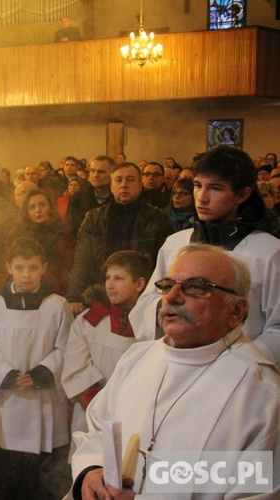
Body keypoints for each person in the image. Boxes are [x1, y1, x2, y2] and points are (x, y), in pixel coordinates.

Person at [70, 245, 280, 498]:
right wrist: (91, 471)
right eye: (168, 285)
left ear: (236, 311)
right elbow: (98, 432)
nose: (171, 297)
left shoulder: (261, 396)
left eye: (195, 287)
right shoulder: (137, 359)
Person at [130, 145, 280, 365]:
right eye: (198, 186)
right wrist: (176, 303)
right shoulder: (176, 243)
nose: (202, 197)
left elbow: (277, 328)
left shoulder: (268, 253)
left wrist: (237, 362)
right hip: (179, 365)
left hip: (240, 373)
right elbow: (146, 305)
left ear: (243, 194)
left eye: (216, 188)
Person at [0, 237, 72, 499]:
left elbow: (67, 348)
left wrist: (41, 374)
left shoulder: (56, 305)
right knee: (10, 470)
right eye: (20, 267)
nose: (27, 274)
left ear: (44, 268)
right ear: (9, 268)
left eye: (33, 268)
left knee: (44, 475)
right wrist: (6, 375)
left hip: (44, 396)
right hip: (9, 397)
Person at [61, 251, 151, 453]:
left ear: (139, 284)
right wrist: (102, 411)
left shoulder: (151, 326)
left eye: (118, 278)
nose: (110, 285)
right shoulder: (89, 321)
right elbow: (76, 369)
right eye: (108, 278)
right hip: (91, 413)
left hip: (135, 415)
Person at [66, 162, 174, 314]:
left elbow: (165, 264)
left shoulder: (158, 218)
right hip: (101, 296)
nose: (124, 185)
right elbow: (82, 261)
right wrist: (75, 296)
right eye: (118, 180)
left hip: (143, 299)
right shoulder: (94, 219)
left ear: (140, 185)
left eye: (130, 180)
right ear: (111, 186)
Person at [11, 189, 76, 295]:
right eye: (32, 207)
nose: (38, 210)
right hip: (23, 290)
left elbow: (67, 267)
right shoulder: (17, 235)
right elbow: (11, 267)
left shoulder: (64, 235)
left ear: (50, 207)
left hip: (57, 290)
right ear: (27, 212)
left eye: (42, 205)